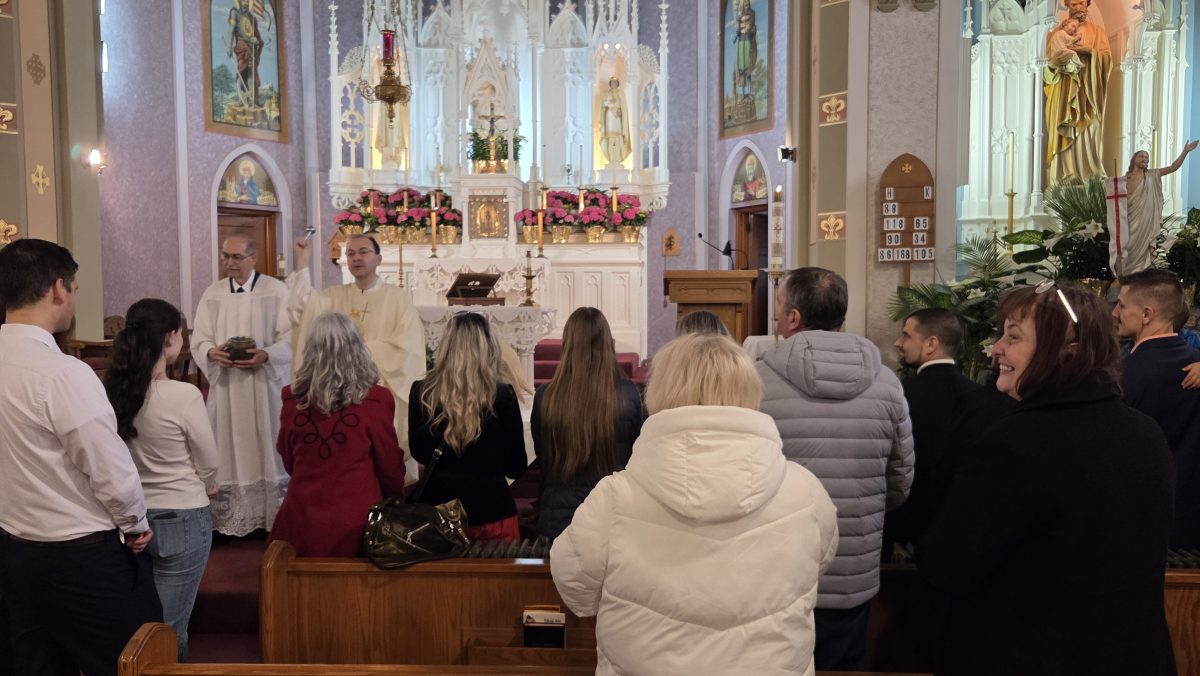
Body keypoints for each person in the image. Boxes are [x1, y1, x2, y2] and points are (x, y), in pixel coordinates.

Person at [920, 283, 1176, 675]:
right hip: (1132, 656)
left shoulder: (1016, 442)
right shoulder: (1146, 431)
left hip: (1036, 654)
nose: (996, 348)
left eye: (1014, 337)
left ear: (1067, 349)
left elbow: (948, 563)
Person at [551, 333, 838, 674]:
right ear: (749, 389)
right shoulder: (805, 491)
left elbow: (577, 589)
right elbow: (818, 563)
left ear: (661, 391)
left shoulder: (614, 499)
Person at [0, 239, 162, 676]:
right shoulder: (62, 373)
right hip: (79, 558)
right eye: (74, 288)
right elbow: (108, 468)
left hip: (14, 551)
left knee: (35, 665)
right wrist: (135, 524)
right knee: (141, 661)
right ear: (58, 288)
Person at [756, 266, 914, 671]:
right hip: (852, 565)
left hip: (778, 568)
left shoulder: (756, 381)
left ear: (794, 317)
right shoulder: (887, 383)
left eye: (779, 305)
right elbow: (900, 482)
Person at [105, 298, 218, 661]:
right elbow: (209, 460)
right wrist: (207, 481)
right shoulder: (183, 395)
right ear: (170, 338)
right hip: (182, 514)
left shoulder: (115, 391)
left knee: (138, 625)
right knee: (169, 630)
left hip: (132, 516)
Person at [270, 312, 407, 557]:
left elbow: (289, 458)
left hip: (302, 518)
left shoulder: (292, 398)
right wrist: (396, 501)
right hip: (359, 521)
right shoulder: (377, 399)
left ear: (311, 351)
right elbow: (389, 466)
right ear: (357, 348)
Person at [291, 234, 426, 480]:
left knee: (383, 459)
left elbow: (407, 349)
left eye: (363, 252)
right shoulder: (333, 296)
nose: (356, 258)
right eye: (351, 253)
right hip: (339, 395)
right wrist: (302, 261)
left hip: (380, 391)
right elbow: (301, 308)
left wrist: (354, 355)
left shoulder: (397, 299)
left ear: (379, 259)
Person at [191, 235, 293, 535]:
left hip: (264, 387)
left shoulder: (276, 291)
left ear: (253, 258)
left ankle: (271, 517)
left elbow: (291, 337)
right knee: (226, 444)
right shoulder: (213, 293)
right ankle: (228, 518)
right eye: (225, 256)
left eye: (236, 257)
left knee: (267, 441)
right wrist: (211, 352)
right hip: (227, 387)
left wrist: (267, 354)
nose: (229, 263)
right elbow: (200, 337)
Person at [408, 312, 527, 540]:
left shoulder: (422, 392)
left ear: (446, 345)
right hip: (492, 509)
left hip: (440, 513)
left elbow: (420, 453)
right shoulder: (503, 395)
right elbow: (515, 466)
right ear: (488, 346)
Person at [531, 307, 645, 539]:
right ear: (608, 344)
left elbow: (543, 458)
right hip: (612, 510)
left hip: (560, 513)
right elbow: (637, 455)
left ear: (567, 345)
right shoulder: (628, 393)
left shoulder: (546, 396)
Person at [1114, 269, 1200, 549]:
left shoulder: (1122, 376)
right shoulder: (1194, 362)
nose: (1115, 312)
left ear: (1146, 314)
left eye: (1121, 305)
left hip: (1139, 524)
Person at [883, 309, 979, 559]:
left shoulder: (900, 394)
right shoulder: (979, 396)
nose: (899, 343)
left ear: (931, 344)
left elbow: (891, 465)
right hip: (960, 529)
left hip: (905, 529)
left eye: (906, 335)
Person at [1043, 0, 1112, 183]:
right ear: (1067, 6)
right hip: (1063, 91)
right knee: (1064, 128)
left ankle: (1090, 175)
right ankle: (1064, 175)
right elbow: (1046, 67)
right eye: (1074, 4)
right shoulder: (1056, 33)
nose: (1078, 7)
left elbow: (1107, 60)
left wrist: (1089, 52)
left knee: (1091, 127)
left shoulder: (1098, 32)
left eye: (1081, 3)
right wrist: (1057, 62)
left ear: (1087, 4)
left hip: (1088, 92)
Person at [1116, 141, 1199, 275]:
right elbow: (1116, 197)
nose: (1145, 159)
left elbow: (1172, 167)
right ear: (1133, 159)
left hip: (1147, 219)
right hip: (1130, 218)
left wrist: (1185, 151)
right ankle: (1127, 274)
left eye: (1147, 157)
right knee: (1129, 245)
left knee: (1144, 247)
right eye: (1141, 156)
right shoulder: (1124, 179)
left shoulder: (1152, 175)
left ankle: (1142, 273)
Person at [598, 77, 631, 166]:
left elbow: (623, 107)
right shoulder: (606, 94)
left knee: (617, 137)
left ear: (617, 84)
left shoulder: (621, 94)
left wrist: (618, 109)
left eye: (615, 83)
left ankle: (617, 159)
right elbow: (603, 105)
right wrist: (611, 104)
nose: (614, 84)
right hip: (609, 118)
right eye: (612, 83)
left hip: (617, 118)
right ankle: (611, 159)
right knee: (609, 137)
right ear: (610, 84)